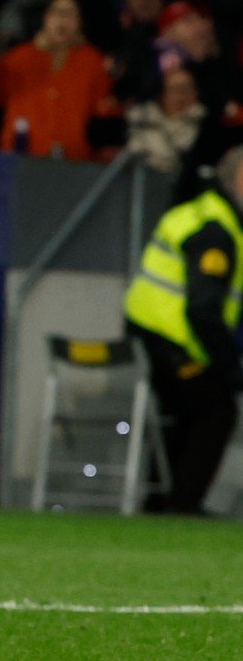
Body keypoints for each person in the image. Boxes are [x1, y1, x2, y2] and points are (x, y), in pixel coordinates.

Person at [123, 145, 243, 515]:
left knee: (183, 413)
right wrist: (232, 368)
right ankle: (183, 506)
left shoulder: (201, 211)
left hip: (149, 330)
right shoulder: (217, 230)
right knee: (216, 408)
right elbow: (204, 310)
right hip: (170, 338)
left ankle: (160, 503)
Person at [0, 0, 112, 161]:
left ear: (80, 22)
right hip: (21, 156)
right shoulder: (20, 57)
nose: (62, 20)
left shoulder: (92, 60)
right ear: (45, 18)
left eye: (69, 14)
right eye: (56, 13)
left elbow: (104, 109)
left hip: (74, 159)